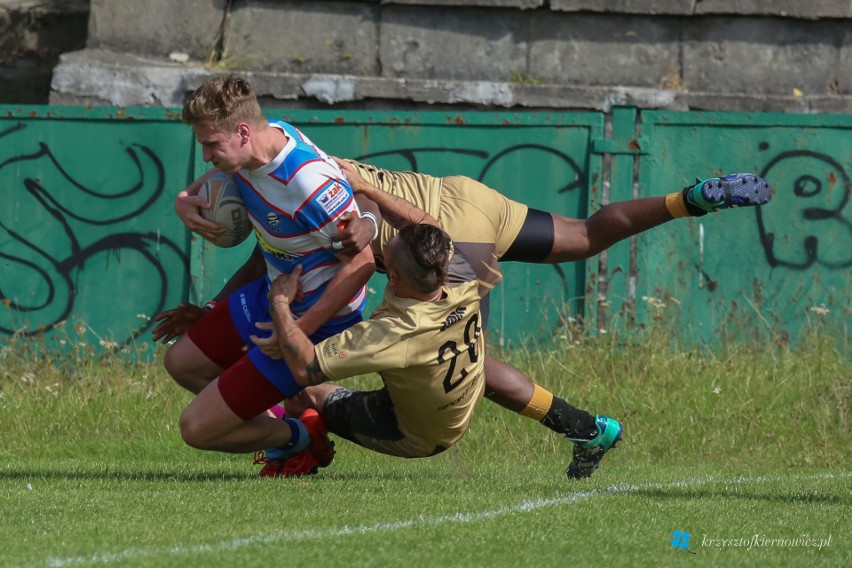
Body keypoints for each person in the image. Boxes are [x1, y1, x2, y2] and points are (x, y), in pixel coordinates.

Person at [166, 112, 772, 480]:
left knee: (461, 355)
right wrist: (222, 303)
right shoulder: (292, 161)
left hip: (451, 237)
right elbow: (276, 246)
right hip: (459, 198)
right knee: (586, 235)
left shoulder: (301, 190)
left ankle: (586, 426)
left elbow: (309, 251)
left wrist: (278, 308)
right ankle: (687, 200)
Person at [161, 75, 376, 470]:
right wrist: (182, 200)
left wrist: (296, 332)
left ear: (242, 132)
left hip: (315, 317)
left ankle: (300, 438)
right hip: (274, 291)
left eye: (211, 144)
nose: (207, 156)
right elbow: (208, 182)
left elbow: (363, 264)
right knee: (183, 362)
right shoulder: (260, 141)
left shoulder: (306, 184)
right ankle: (295, 423)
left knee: (195, 428)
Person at [252, 222, 487, 462]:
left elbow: (306, 368)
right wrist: (366, 194)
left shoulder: (396, 332)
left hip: (419, 435)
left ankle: (300, 455)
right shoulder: (461, 273)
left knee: (300, 395)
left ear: (392, 277)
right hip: (459, 406)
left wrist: (279, 303)